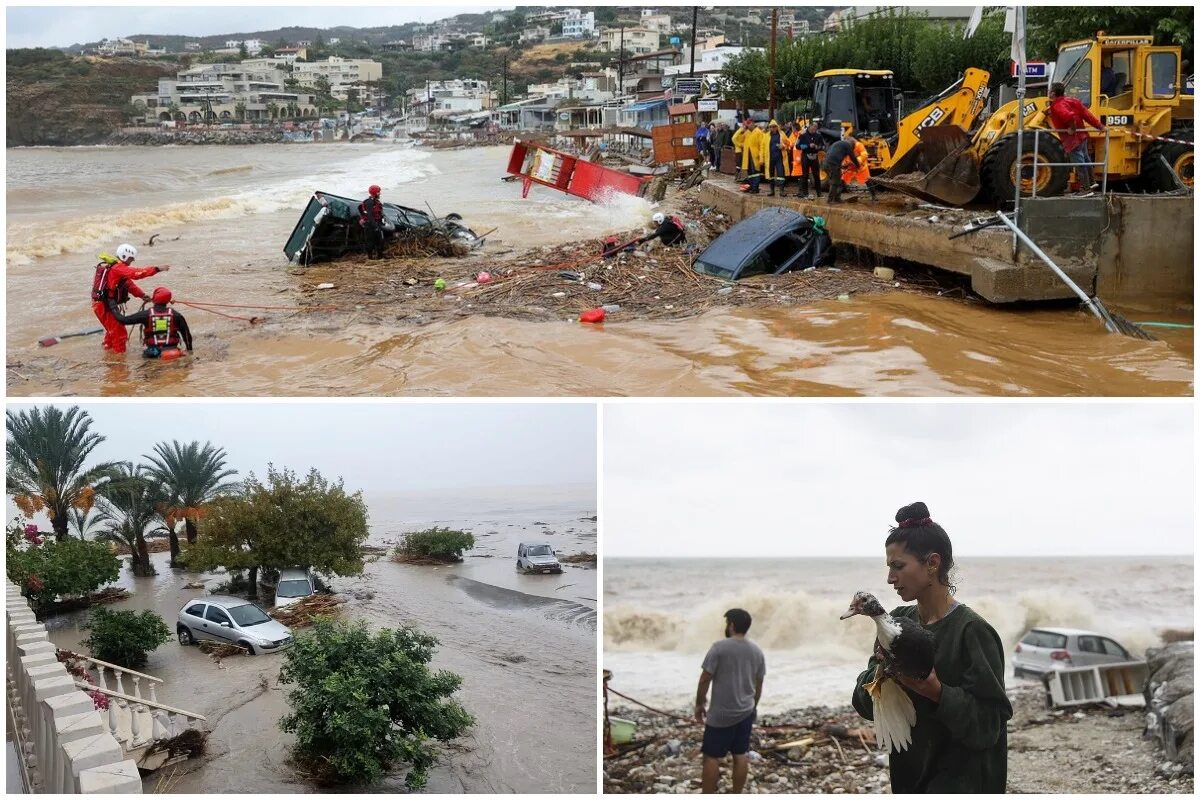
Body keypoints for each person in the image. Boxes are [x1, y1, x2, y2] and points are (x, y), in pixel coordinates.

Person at [851, 502, 1011, 793]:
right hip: (910, 777)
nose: (890, 579)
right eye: (889, 568)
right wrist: (880, 676)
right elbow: (864, 703)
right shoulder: (897, 622)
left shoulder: (971, 631)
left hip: (964, 781)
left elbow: (989, 726)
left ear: (932, 563)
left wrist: (935, 691)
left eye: (898, 567)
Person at [695, 608, 766, 794]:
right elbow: (759, 685)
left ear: (732, 625)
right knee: (740, 754)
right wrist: (753, 707)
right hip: (745, 712)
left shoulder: (719, 647)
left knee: (711, 757)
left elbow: (704, 678)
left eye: (727, 623)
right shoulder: (757, 651)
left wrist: (699, 703)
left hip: (720, 715)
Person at [90, 243, 170, 354]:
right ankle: (119, 362)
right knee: (119, 333)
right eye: (131, 259)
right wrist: (157, 269)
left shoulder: (117, 268)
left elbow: (129, 285)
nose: (132, 261)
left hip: (103, 303)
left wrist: (142, 295)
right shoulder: (118, 268)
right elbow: (136, 274)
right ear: (124, 256)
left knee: (112, 330)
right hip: (104, 305)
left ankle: (109, 352)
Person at [1047, 82, 1106, 191]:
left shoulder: (1057, 105)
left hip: (1072, 139)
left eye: (1050, 91)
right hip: (1082, 136)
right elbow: (1087, 115)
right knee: (1086, 159)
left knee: (1079, 163)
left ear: (1053, 94)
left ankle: (1086, 188)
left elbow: (1069, 116)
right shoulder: (1073, 101)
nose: (1048, 93)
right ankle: (1092, 182)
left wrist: (1072, 128)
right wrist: (1100, 126)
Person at [111, 286, 193, 359]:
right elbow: (186, 335)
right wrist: (189, 350)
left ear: (154, 299)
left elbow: (123, 320)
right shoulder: (176, 315)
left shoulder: (146, 315)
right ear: (168, 301)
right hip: (173, 352)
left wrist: (112, 305)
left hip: (153, 353)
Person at [792, 122, 826, 198]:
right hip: (805, 156)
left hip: (814, 156)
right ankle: (805, 194)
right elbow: (798, 146)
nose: (814, 130)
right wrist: (808, 146)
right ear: (809, 127)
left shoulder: (818, 136)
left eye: (816, 128)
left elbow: (823, 146)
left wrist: (818, 147)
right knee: (805, 175)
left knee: (816, 175)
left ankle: (819, 194)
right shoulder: (803, 135)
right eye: (813, 128)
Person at [823, 132, 857, 204]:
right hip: (832, 164)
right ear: (851, 144)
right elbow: (853, 157)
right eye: (852, 148)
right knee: (835, 182)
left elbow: (833, 155)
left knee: (839, 181)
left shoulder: (838, 143)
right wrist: (858, 165)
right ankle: (830, 200)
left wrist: (842, 166)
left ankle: (837, 198)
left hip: (826, 163)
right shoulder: (847, 145)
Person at [842, 134, 878, 202]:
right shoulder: (846, 147)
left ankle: (874, 196)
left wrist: (856, 161)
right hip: (850, 168)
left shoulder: (859, 145)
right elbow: (844, 157)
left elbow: (864, 155)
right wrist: (845, 163)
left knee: (868, 181)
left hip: (861, 168)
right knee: (842, 179)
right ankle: (837, 196)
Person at [762, 119, 791, 197]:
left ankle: (781, 191)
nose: (772, 128)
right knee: (770, 175)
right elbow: (763, 147)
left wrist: (783, 146)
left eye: (774, 127)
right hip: (770, 158)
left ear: (777, 127)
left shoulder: (782, 134)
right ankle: (772, 191)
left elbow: (789, 143)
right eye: (771, 127)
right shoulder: (766, 136)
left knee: (781, 174)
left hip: (779, 158)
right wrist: (762, 158)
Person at [358, 184, 386, 258]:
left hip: (376, 223)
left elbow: (379, 213)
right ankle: (370, 257)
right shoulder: (369, 202)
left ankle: (380, 256)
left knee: (380, 241)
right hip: (370, 225)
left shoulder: (376, 201)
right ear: (374, 193)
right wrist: (375, 226)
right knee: (370, 241)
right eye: (378, 192)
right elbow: (370, 216)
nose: (380, 193)